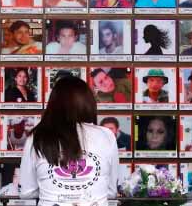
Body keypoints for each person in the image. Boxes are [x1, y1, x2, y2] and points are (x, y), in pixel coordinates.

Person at [19, 76, 119, 205]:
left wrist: (54, 191)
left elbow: (27, 192)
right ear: (88, 103)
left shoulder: (37, 136)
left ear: (53, 104)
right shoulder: (106, 135)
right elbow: (111, 191)